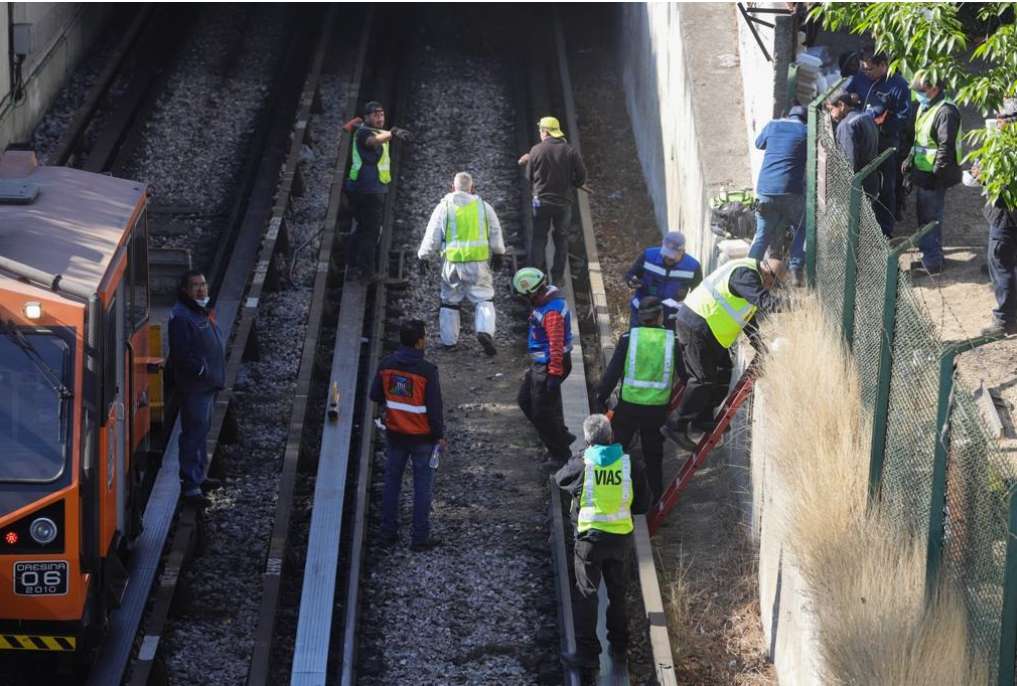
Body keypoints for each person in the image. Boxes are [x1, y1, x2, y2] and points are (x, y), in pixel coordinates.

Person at [555, 414, 651, 677]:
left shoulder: (583, 463)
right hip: (620, 540)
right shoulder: (630, 464)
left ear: (587, 440)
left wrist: (579, 457)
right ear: (611, 437)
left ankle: (588, 657)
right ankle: (620, 646)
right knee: (618, 594)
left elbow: (560, 479)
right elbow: (643, 505)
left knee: (587, 595)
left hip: (589, 542)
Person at [664, 257, 786, 452]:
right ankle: (675, 424)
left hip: (708, 329)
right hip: (697, 324)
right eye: (774, 282)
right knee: (702, 380)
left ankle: (703, 420)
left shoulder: (749, 278)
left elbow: (746, 318)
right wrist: (797, 305)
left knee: (723, 370)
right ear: (767, 272)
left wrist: (759, 346)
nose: (772, 287)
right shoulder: (745, 275)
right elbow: (765, 302)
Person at [369, 319, 444, 551]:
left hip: (395, 436)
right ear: (420, 341)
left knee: (392, 483)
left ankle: (387, 532)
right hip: (423, 439)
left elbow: (375, 395)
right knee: (422, 487)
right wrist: (440, 435)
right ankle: (419, 538)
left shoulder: (386, 365)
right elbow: (434, 409)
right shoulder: (427, 372)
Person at [596, 297, 675, 504]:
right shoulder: (672, 340)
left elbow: (612, 373)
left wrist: (601, 398)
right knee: (653, 454)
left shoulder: (628, 337)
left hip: (628, 406)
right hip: (657, 409)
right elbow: (685, 374)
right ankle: (655, 500)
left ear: (639, 317)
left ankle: (607, 493)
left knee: (616, 448)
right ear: (661, 316)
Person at [417, 171, 506, 355]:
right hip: (478, 263)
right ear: (473, 188)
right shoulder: (483, 206)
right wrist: (498, 252)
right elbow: (495, 229)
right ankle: (484, 331)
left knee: (449, 301)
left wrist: (423, 256)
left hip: (452, 263)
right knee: (483, 298)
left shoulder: (444, 207)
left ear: (452, 188)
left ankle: (449, 342)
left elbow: (432, 233)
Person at [168, 270, 225, 506]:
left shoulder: (199, 310)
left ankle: (199, 477)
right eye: (195, 286)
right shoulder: (182, 317)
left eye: (203, 284)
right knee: (193, 433)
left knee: (202, 432)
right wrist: (202, 371)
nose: (201, 289)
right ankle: (190, 487)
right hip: (196, 387)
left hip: (208, 384)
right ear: (185, 290)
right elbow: (181, 354)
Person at [845, 49, 912, 238]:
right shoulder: (859, 78)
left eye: (870, 69)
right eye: (864, 69)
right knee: (861, 181)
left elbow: (904, 116)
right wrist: (851, 99)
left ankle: (885, 230)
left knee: (886, 186)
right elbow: (845, 96)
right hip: (862, 141)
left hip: (885, 141)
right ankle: (862, 225)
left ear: (884, 65)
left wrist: (885, 122)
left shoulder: (898, 85)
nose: (866, 73)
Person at [343, 100, 411, 281]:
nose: (380, 118)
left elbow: (377, 135)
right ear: (367, 117)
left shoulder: (367, 129)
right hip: (367, 191)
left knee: (363, 228)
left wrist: (389, 132)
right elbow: (373, 141)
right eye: (375, 115)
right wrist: (393, 133)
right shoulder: (364, 133)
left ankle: (351, 264)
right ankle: (366, 272)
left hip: (364, 189)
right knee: (371, 232)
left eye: (381, 114)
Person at [514, 267, 575, 462]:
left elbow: (555, 344)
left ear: (533, 292)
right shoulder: (546, 299)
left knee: (541, 413)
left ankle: (560, 453)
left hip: (550, 365)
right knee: (526, 400)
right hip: (542, 364)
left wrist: (555, 374)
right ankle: (561, 435)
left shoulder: (551, 312)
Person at [903, 77, 963, 275]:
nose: (918, 94)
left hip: (935, 176)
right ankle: (930, 255)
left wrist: (935, 175)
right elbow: (921, 138)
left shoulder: (945, 112)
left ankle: (932, 263)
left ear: (935, 89)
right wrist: (910, 159)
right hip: (924, 172)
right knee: (925, 217)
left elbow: (945, 149)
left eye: (921, 90)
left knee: (930, 218)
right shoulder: (926, 107)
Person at [518, 115, 587, 285]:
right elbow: (582, 176)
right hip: (563, 203)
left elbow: (529, 178)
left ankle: (537, 276)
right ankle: (557, 277)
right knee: (561, 238)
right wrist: (574, 184)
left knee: (539, 237)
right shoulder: (570, 151)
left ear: (546, 131)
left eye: (541, 130)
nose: (540, 133)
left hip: (541, 202)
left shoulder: (535, 151)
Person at [748, 105, 807, 286]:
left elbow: (759, 143)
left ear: (786, 115)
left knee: (762, 235)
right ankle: (796, 270)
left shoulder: (773, 125)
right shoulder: (807, 131)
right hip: (791, 191)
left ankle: (747, 272)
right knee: (803, 227)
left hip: (765, 190)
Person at [975, 99, 1017, 336]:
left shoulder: (1006, 148)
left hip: (1006, 217)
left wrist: (982, 175)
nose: (997, 121)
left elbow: (999, 184)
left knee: (1001, 264)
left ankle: (1005, 320)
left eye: (1002, 117)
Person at [624, 231, 702, 328]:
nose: (667, 258)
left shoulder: (693, 267)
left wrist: (687, 304)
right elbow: (630, 275)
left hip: (671, 318)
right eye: (665, 253)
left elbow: (699, 293)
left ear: (682, 251)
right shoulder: (649, 256)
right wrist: (632, 281)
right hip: (642, 314)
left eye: (672, 256)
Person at [828, 92, 880, 197]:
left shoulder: (846, 125)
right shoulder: (866, 116)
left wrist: (843, 189)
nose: (831, 115)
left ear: (841, 105)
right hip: (871, 180)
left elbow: (847, 162)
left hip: (857, 188)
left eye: (831, 109)